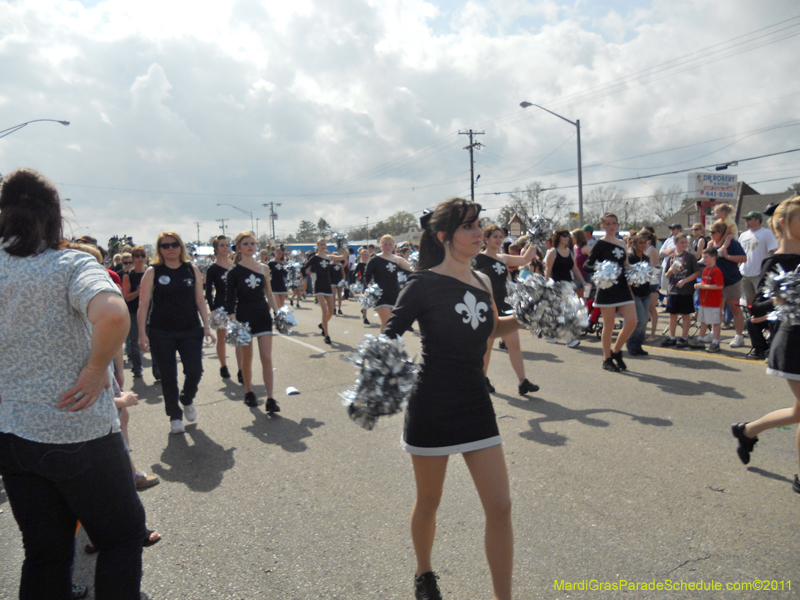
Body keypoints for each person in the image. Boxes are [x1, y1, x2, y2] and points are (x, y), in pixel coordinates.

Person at [0, 168, 147, 599]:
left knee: (44, 553)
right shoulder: (70, 262)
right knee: (122, 538)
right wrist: (93, 367)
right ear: (54, 215)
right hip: (76, 431)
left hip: (11, 434)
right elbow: (115, 314)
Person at [383, 197, 519, 600]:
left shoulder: (483, 280)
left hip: (476, 401)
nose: (479, 233)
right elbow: (390, 335)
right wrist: (383, 374)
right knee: (430, 500)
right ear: (444, 236)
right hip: (432, 405)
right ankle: (424, 573)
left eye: (480, 225)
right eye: (468, 227)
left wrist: (533, 314)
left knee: (501, 506)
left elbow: (490, 328)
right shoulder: (421, 283)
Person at [731, 196, 800, 493]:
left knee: (798, 413)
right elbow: (756, 307)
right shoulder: (776, 263)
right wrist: (780, 297)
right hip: (794, 341)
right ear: (784, 223)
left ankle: (748, 430)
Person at [138, 231, 215, 434]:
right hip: (161, 331)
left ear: (181, 247)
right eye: (165, 246)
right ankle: (174, 416)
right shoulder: (152, 272)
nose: (170, 248)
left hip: (190, 329)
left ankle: (187, 398)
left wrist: (207, 326)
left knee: (195, 371)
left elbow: (200, 299)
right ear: (159, 250)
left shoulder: (192, 269)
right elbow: (143, 305)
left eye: (174, 244)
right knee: (168, 376)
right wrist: (141, 333)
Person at [475, 225, 539, 395]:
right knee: (487, 347)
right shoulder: (477, 259)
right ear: (486, 239)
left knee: (514, 345)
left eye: (500, 236)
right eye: (495, 236)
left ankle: (522, 381)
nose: (498, 239)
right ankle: (482, 379)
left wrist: (535, 239)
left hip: (504, 305)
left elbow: (525, 259)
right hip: (487, 307)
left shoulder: (502, 258)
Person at [225, 232, 281, 412]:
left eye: (252, 243)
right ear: (239, 247)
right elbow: (230, 299)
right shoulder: (234, 271)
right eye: (245, 243)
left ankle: (271, 398)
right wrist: (233, 321)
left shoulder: (264, 268)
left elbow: (269, 293)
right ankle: (249, 391)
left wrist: (278, 312)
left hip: (262, 314)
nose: (250, 246)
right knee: (247, 358)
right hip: (243, 316)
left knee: (266, 357)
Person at [585, 213, 637, 372]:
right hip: (606, 288)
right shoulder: (600, 244)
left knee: (633, 321)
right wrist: (602, 270)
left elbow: (626, 264)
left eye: (614, 223)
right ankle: (606, 359)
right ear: (603, 226)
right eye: (608, 223)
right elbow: (588, 265)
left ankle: (616, 351)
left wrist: (636, 273)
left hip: (622, 287)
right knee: (609, 325)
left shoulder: (621, 243)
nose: (612, 226)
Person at [205, 235, 241, 381]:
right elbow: (208, 292)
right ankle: (223, 366)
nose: (226, 248)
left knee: (239, 337)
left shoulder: (237, 266)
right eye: (222, 245)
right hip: (221, 305)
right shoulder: (212, 269)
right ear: (216, 249)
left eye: (227, 245)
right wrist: (212, 309)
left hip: (237, 305)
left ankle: (241, 369)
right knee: (222, 337)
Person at [707, 220, 747, 348]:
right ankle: (714, 333)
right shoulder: (710, 244)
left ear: (722, 232)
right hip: (716, 283)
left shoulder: (732, 244)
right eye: (710, 232)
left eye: (714, 232)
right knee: (716, 309)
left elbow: (743, 258)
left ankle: (739, 336)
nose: (711, 234)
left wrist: (727, 256)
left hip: (731, 280)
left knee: (735, 308)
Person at [544, 228, 586, 347]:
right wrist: (545, 285)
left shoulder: (569, 252)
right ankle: (569, 339)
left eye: (568, 235)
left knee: (562, 312)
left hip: (568, 285)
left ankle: (551, 334)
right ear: (558, 238)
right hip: (556, 285)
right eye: (564, 236)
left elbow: (575, 268)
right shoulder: (552, 252)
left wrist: (583, 282)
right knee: (566, 312)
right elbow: (548, 269)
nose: (567, 238)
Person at [660, 233, 702, 349]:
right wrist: (671, 270)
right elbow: (667, 275)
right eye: (681, 242)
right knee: (673, 315)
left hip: (686, 291)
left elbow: (697, 273)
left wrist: (685, 281)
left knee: (685, 315)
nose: (684, 244)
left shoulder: (690, 257)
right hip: (673, 290)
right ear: (675, 243)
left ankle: (684, 338)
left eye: (685, 242)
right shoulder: (670, 257)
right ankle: (672, 337)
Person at [364, 234, 412, 332]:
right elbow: (366, 275)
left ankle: (386, 344)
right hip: (380, 296)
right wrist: (369, 290)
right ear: (381, 245)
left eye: (390, 244)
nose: (388, 246)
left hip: (394, 295)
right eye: (385, 244)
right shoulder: (375, 259)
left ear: (394, 245)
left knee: (393, 325)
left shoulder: (397, 259)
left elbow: (412, 268)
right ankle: (382, 345)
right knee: (386, 323)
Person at [302, 239, 346, 344]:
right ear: (317, 246)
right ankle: (327, 335)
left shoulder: (329, 257)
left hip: (328, 285)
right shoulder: (314, 258)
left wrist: (342, 246)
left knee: (331, 310)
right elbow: (304, 268)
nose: (323, 246)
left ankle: (322, 324)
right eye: (321, 244)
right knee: (324, 309)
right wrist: (303, 277)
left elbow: (343, 257)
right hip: (319, 286)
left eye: (324, 244)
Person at [738, 210, 778, 306]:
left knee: (761, 300)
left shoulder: (766, 233)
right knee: (749, 302)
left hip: (760, 274)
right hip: (745, 274)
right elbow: (740, 254)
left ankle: (762, 320)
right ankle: (752, 319)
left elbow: (774, 252)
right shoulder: (743, 235)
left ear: (757, 220)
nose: (746, 221)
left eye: (748, 219)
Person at [691, 247, 724, 353]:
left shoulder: (716, 271)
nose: (704, 259)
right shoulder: (705, 270)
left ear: (713, 258)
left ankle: (716, 342)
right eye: (703, 257)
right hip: (704, 301)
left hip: (713, 302)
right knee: (703, 321)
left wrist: (704, 286)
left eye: (706, 257)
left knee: (715, 322)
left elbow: (719, 286)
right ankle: (700, 339)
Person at [122, 246, 148, 378]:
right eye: (137, 256)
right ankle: (137, 368)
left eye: (142, 255)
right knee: (134, 341)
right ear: (132, 259)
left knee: (154, 340)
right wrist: (139, 291)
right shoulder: (128, 276)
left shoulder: (150, 273)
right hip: (133, 311)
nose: (140, 258)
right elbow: (126, 297)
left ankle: (157, 369)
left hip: (150, 311)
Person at [625, 232, 652, 356]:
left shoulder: (646, 259)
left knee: (645, 319)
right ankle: (631, 343)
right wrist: (629, 293)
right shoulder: (631, 258)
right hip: (634, 293)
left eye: (644, 243)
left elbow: (649, 275)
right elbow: (626, 277)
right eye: (640, 243)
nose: (643, 245)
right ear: (634, 244)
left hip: (646, 292)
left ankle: (638, 345)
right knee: (640, 319)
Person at [354, 247, 371, 325]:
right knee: (365, 300)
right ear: (361, 256)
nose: (366, 256)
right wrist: (356, 280)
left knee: (370, 301)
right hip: (363, 283)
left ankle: (363, 310)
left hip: (371, 283)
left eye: (367, 255)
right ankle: (365, 318)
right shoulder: (360, 264)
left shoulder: (371, 264)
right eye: (364, 255)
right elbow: (354, 273)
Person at [268, 245, 289, 310]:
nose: (280, 255)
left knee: (281, 306)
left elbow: (286, 275)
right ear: (275, 252)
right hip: (274, 285)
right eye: (279, 253)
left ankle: (279, 319)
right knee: (277, 304)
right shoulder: (271, 263)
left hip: (282, 285)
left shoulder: (284, 264)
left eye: (281, 254)